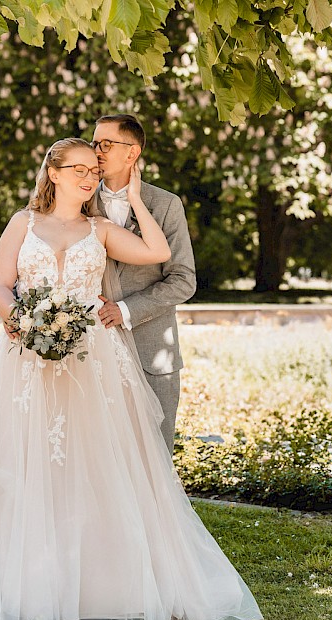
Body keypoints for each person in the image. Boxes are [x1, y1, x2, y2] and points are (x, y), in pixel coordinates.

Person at [0, 138, 261, 620]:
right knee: (31, 463)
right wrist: (23, 322)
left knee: (98, 462)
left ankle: (105, 586)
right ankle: (29, 583)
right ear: (53, 172)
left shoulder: (101, 229)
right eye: (79, 170)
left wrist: (132, 197)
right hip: (27, 356)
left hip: (94, 358)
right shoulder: (22, 224)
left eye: (95, 170)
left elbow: (158, 251)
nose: (90, 178)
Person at [92, 114, 197, 452]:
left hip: (153, 354)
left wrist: (125, 310)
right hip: (90, 352)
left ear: (131, 153)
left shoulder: (165, 205)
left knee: (154, 458)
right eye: (94, 143)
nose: (96, 151)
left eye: (105, 144)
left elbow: (183, 281)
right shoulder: (77, 203)